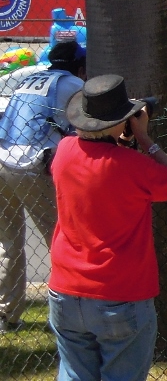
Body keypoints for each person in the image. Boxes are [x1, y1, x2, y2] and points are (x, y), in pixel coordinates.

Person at [48, 75, 167, 381]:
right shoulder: (134, 166)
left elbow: (98, 160)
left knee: (73, 373)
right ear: (122, 121)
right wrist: (145, 139)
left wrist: (119, 138)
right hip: (120, 293)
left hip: (66, 290)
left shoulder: (64, 151)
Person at [0, 41, 86, 331]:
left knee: (8, 242)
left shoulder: (29, 78)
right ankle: (66, 316)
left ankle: (5, 315)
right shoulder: (74, 84)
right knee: (61, 240)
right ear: (79, 65)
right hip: (33, 164)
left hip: (2, 159)